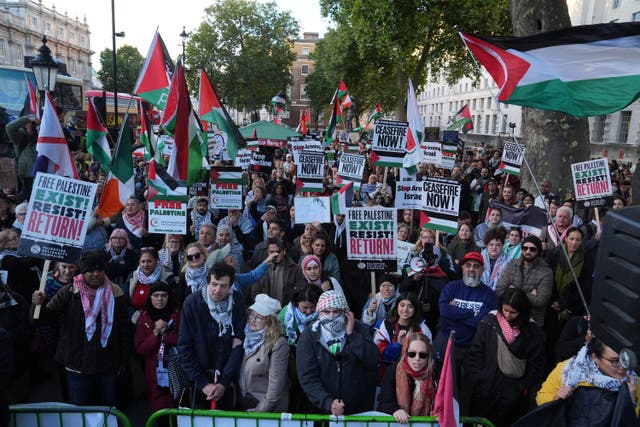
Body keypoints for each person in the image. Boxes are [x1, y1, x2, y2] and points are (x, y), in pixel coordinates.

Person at [31, 250, 130, 406]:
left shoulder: (115, 292)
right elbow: (42, 318)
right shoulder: (69, 292)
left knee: (107, 409)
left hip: (106, 364)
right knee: (80, 410)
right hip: (76, 364)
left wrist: (122, 359)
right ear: (83, 272)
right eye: (90, 270)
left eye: (100, 270)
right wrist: (38, 304)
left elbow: (123, 330)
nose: (96, 274)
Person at [467, 288, 545, 426]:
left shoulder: (532, 332)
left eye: (513, 312)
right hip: (486, 388)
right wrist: (480, 377)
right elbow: (476, 351)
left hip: (513, 394)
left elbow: (535, 364)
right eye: (505, 310)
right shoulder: (489, 322)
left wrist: (522, 387)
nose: (507, 315)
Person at [296, 290, 378, 415]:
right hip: (322, 411)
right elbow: (307, 377)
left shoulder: (359, 329)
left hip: (357, 410)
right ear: (319, 313)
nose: (331, 316)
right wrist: (328, 403)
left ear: (345, 312)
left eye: (336, 311)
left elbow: (372, 360)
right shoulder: (309, 336)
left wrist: (352, 336)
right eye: (326, 312)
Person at [178, 262, 246, 409]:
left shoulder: (238, 301)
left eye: (223, 286)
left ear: (230, 287)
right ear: (207, 282)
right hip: (199, 379)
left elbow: (239, 345)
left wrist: (224, 382)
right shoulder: (192, 303)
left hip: (227, 379)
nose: (217, 290)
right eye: (214, 284)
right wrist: (202, 383)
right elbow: (185, 346)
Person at [435, 251, 496, 398]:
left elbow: (481, 323)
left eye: (476, 266)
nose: (471, 269)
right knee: (444, 388)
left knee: (468, 392)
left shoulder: (489, 295)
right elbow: (444, 311)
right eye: (468, 265)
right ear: (462, 267)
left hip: (472, 349)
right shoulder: (451, 287)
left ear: (482, 270)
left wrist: (456, 312)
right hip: (447, 344)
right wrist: (470, 313)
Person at [536, 337, 639, 422]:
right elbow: (541, 397)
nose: (622, 366)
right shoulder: (568, 371)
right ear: (595, 357)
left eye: (625, 360)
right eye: (615, 361)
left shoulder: (633, 382)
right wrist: (557, 399)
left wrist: (630, 403)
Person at [134, 281, 181, 416]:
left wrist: (165, 335)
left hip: (176, 368)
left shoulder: (176, 315)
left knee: (178, 409)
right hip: (154, 373)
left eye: (163, 295)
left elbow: (183, 341)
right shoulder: (143, 318)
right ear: (150, 298)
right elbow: (141, 349)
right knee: (160, 413)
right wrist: (155, 333)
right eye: (156, 295)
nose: (160, 299)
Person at [239, 294, 289, 412]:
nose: (252, 320)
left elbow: (275, 387)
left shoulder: (279, 344)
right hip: (245, 403)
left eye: (259, 317)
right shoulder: (245, 337)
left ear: (270, 322)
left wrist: (260, 411)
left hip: (266, 409)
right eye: (251, 315)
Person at [278, 284, 322, 412]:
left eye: (312, 308)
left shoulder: (323, 313)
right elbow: (278, 334)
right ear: (297, 303)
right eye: (304, 308)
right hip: (292, 357)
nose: (308, 312)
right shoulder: (286, 313)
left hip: (314, 356)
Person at [496, 235, 553, 327]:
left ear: (538, 251)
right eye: (525, 248)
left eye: (532, 249)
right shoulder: (511, 264)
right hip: (507, 318)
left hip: (531, 320)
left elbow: (541, 300)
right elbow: (500, 289)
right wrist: (529, 294)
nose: (528, 251)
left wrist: (513, 291)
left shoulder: (546, 272)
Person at [378, 333, 436, 423]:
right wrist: (395, 410)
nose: (417, 358)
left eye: (423, 355)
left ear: (428, 356)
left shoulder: (434, 375)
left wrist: (437, 412)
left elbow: (440, 403)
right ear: (406, 353)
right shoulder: (393, 371)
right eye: (412, 354)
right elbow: (385, 401)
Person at [374, 293, 432, 382]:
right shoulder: (384, 325)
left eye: (410, 307)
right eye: (402, 305)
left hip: (414, 378)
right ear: (397, 306)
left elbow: (427, 355)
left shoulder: (423, 329)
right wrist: (398, 345)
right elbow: (381, 355)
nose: (405, 310)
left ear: (415, 309)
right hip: (387, 376)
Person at [126, 248, 175, 324]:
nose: (145, 265)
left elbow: (172, 302)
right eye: (143, 261)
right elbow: (126, 302)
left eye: (149, 261)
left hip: (160, 322)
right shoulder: (132, 276)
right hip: (136, 322)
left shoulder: (167, 277)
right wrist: (136, 317)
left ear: (156, 261)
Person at [250, 237, 304, 306]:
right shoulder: (261, 269)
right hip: (265, 311)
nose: (275, 255)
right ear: (267, 251)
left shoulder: (295, 269)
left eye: (278, 252)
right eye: (271, 252)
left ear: (284, 251)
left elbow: (299, 292)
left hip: (286, 311)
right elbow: (255, 293)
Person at [480, 227, 510, 291]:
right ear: (487, 246)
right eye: (491, 244)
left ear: (502, 246)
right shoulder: (479, 258)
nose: (494, 247)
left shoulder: (509, 260)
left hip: (500, 294)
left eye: (498, 245)